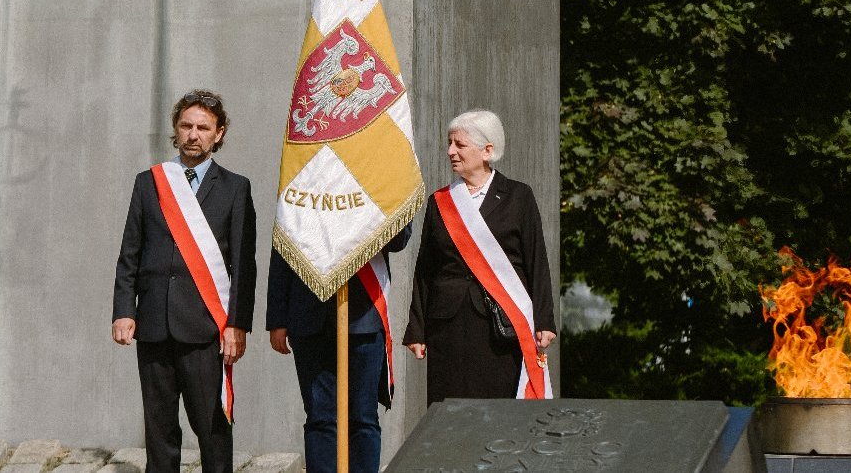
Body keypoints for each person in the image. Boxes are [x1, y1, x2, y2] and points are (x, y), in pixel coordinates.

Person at [112, 90, 257, 473]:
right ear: (175, 131)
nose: (193, 134)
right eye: (186, 126)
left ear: (218, 133)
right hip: (155, 325)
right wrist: (124, 311)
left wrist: (237, 325)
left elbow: (244, 265)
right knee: (159, 432)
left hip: (205, 328)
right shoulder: (150, 183)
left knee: (212, 429)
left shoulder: (235, 188)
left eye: (203, 127)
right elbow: (130, 254)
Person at [401, 109, 556, 403]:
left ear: (487, 150)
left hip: (501, 324)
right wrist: (417, 329)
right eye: (450, 143)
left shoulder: (518, 196)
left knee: (497, 408)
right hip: (448, 323)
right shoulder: (440, 201)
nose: (450, 151)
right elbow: (425, 269)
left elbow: (537, 261)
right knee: (449, 409)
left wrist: (544, 320)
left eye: (459, 144)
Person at [265, 225, 410, 473]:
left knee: (362, 417)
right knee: (320, 418)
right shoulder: (301, 183)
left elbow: (400, 238)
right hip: (309, 314)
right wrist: (277, 317)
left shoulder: (380, 183)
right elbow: (284, 240)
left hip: (363, 315)